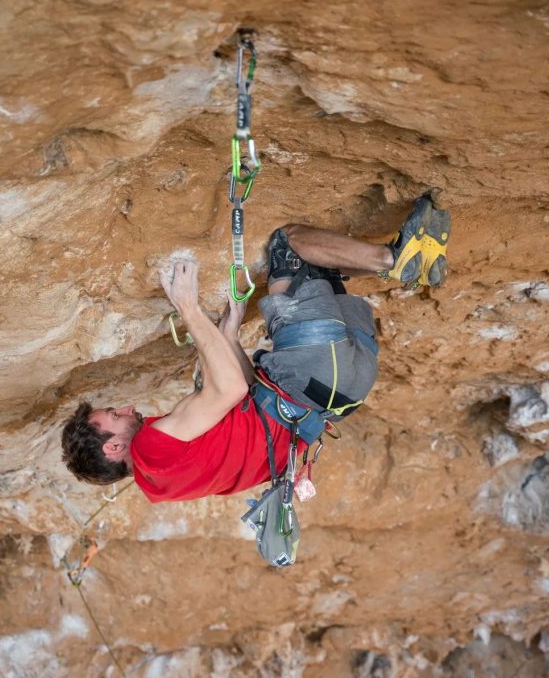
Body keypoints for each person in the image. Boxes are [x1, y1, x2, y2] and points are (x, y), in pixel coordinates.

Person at [61, 192, 450, 501]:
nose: (126, 408)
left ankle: (415, 259)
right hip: (307, 370)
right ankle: (393, 258)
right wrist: (188, 308)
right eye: (113, 414)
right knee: (290, 245)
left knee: (317, 267)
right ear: (113, 448)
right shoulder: (150, 449)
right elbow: (230, 390)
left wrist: (229, 335)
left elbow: (245, 406)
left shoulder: (168, 483)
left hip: (345, 384)